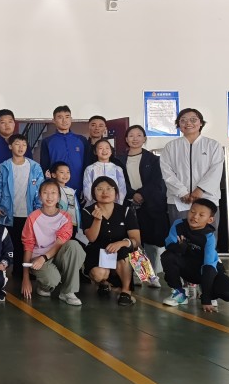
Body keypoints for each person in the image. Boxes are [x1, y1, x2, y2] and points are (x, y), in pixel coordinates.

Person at [161, 199, 229, 311]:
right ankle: (179, 294)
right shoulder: (179, 224)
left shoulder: (209, 237)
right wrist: (180, 247)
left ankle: (208, 293)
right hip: (187, 268)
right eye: (192, 212)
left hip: (207, 271)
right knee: (168, 256)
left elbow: (209, 267)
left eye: (201, 215)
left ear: (210, 220)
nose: (195, 217)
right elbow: (169, 245)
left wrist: (206, 300)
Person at [20, 179, 85, 306]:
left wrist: (44, 257)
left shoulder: (65, 217)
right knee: (51, 280)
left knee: (74, 246)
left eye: (53, 193)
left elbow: (60, 243)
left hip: (56, 256)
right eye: (45, 193)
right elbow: (28, 246)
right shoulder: (33, 217)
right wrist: (26, 278)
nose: (49, 197)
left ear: (59, 196)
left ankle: (68, 292)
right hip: (39, 259)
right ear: (40, 196)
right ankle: (44, 286)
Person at [119, 125, 168, 283]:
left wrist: (142, 194)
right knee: (135, 240)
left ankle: (152, 275)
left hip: (150, 204)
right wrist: (133, 194)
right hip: (129, 203)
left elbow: (156, 181)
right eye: (131, 135)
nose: (135, 138)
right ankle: (142, 274)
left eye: (139, 135)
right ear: (126, 139)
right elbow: (120, 181)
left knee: (151, 241)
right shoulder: (119, 160)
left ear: (144, 139)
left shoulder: (153, 160)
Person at [160, 108, 224, 229]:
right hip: (179, 201)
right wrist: (181, 192)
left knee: (207, 236)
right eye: (183, 120)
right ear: (179, 125)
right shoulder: (171, 147)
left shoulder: (213, 145)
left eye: (193, 120)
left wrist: (200, 190)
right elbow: (166, 172)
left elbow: (215, 171)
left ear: (201, 123)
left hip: (207, 199)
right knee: (179, 236)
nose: (188, 123)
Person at [81, 177, 141, 306]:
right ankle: (105, 282)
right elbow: (91, 238)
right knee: (98, 274)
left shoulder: (126, 211)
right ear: (93, 193)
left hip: (122, 253)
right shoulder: (87, 211)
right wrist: (97, 220)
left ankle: (126, 291)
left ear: (116, 192)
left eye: (109, 188)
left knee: (124, 252)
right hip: (98, 252)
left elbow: (136, 241)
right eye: (100, 189)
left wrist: (121, 243)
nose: (105, 192)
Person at [0, 133, 43, 280]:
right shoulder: (3, 167)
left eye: (24, 144)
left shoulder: (35, 167)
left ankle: (24, 271)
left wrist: (39, 209)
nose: (21, 147)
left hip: (29, 212)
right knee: (11, 243)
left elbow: (40, 190)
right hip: (8, 212)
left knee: (27, 244)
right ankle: (8, 272)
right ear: (10, 146)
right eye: (17, 144)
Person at [40, 105, 88, 195]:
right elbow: (45, 167)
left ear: (71, 119)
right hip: (56, 188)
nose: (64, 120)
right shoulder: (47, 141)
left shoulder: (81, 140)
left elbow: (87, 164)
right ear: (54, 120)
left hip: (79, 187)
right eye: (60, 117)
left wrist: (86, 187)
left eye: (67, 117)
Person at [82, 139, 127, 206]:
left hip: (113, 205)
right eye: (100, 148)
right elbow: (87, 189)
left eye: (107, 148)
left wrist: (118, 204)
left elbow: (122, 188)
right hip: (95, 205)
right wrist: (94, 204)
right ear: (95, 152)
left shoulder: (117, 169)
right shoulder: (90, 169)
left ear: (111, 151)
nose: (104, 150)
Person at [50, 161, 81, 236]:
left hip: (73, 223)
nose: (65, 175)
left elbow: (76, 208)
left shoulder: (71, 191)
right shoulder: (52, 190)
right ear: (53, 175)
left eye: (68, 172)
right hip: (59, 224)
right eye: (62, 172)